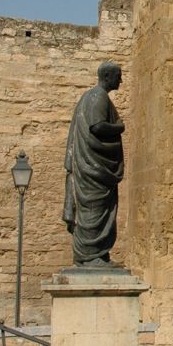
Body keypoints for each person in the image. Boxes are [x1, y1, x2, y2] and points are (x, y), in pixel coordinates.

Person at [63, 61, 125, 267]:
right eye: (118, 76)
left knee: (95, 210)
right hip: (94, 169)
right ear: (107, 77)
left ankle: (96, 255)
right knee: (94, 210)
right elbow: (97, 127)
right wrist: (119, 127)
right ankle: (90, 256)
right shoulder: (99, 97)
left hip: (91, 166)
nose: (121, 80)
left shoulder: (89, 97)